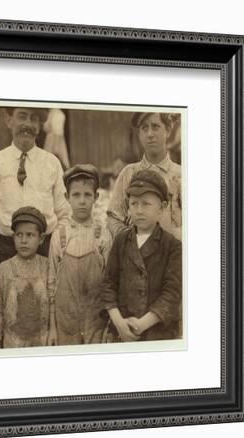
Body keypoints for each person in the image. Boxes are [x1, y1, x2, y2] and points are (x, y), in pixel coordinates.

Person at [0, 107, 70, 264]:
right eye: (22, 117)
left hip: (44, 248)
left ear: (40, 125)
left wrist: (55, 246)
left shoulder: (52, 163)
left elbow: (64, 213)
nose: (27, 124)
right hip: (5, 248)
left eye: (34, 119)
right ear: (9, 121)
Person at [100, 170, 182, 342]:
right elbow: (108, 285)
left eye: (146, 204)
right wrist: (119, 323)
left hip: (157, 333)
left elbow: (171, 295)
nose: (139, 210)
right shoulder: (121, 241)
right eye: (134, 203)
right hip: (121, 332)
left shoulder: (172, 246)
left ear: (162, 207)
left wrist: (142, 324)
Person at [48, 165, 112, 346]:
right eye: (76, 195)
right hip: (65, 321)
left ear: (96, 197)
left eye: (87, 195)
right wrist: (53, 327)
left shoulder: (103, 235)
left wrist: (109, 326)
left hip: (96, 320)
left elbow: (110, 284)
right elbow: (51, 283)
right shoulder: (59, 235)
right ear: (67, 198)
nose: (82, 201)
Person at [107, 112, 182, 240]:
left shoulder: (181, 175)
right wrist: (129, 240)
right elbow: (114, 217)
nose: (150, 134)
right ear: (139, 134)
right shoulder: (129, 173)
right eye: (144, 128)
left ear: (168, 130)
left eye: (155, 127)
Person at [0, 207, 50, 349]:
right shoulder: (4, 268)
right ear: (13, 237)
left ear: (41, 238)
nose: (24, 240)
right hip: (13, 342)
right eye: (19, 235)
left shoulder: (47, 266)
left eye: (30, 235)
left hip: (42, 340)